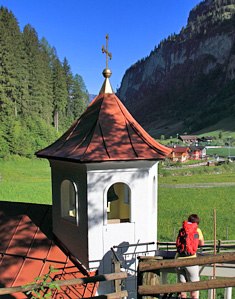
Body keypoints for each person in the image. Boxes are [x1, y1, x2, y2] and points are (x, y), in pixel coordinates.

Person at [176, 214, 204, 299]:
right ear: (197, 223)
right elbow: (202, 243)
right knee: (194, 288)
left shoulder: (182, 229)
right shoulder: (197, 230)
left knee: (182, 290)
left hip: (178, 260)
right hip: (191, 260)